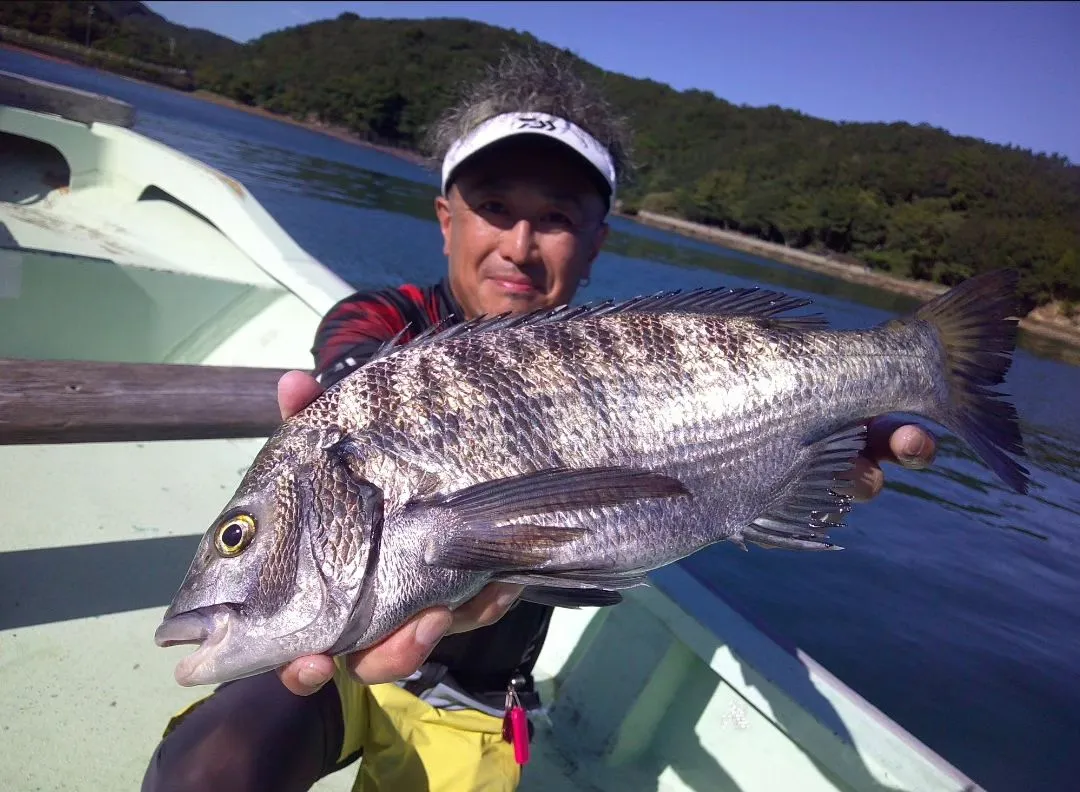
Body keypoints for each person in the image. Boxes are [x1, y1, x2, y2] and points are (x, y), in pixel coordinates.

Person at [141, 50, 938, 792]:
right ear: (446, 217)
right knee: (211, 769)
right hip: (329, 665)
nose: (519, 245)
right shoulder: (384, 325)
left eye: (555, 216)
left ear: (596, 244)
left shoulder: (641, 357)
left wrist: (825, 441)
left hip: (479, 704)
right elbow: (352, 361)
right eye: (493, 207)